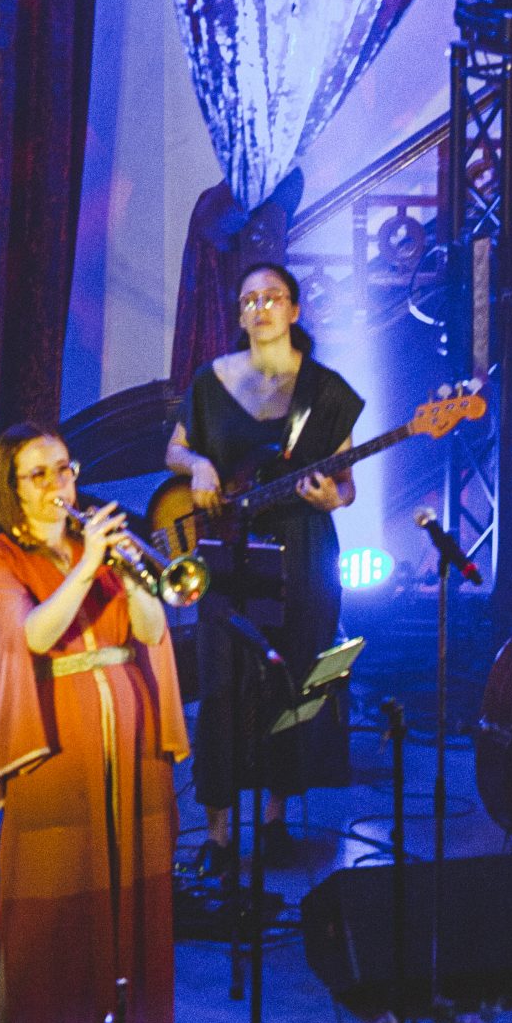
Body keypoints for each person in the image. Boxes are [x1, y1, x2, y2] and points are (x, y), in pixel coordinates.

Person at [0, 424, 188, 1023]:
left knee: (124, 898)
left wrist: (133, 571)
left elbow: (151, 630)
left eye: (63, 468)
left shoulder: (102, 543)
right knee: (42, 910)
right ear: (13, 488)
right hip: (54, 749)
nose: (59, 484)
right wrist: (87, 567)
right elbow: (31, 634)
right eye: (39, 474)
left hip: (130, 746)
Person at [165, 261, 361, 866]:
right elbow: (174, 449)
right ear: (240, 314)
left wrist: (334, 499)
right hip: (228, 549)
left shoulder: (325, 390)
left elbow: (347, 483)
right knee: (220, 684)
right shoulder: (211, 381)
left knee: (292, 679)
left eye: (273, 297)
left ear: (294, 310)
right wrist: (199, 465)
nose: (261, 307)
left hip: (303, 549)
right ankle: (218, 833)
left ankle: (275, 819)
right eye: (249, 300)